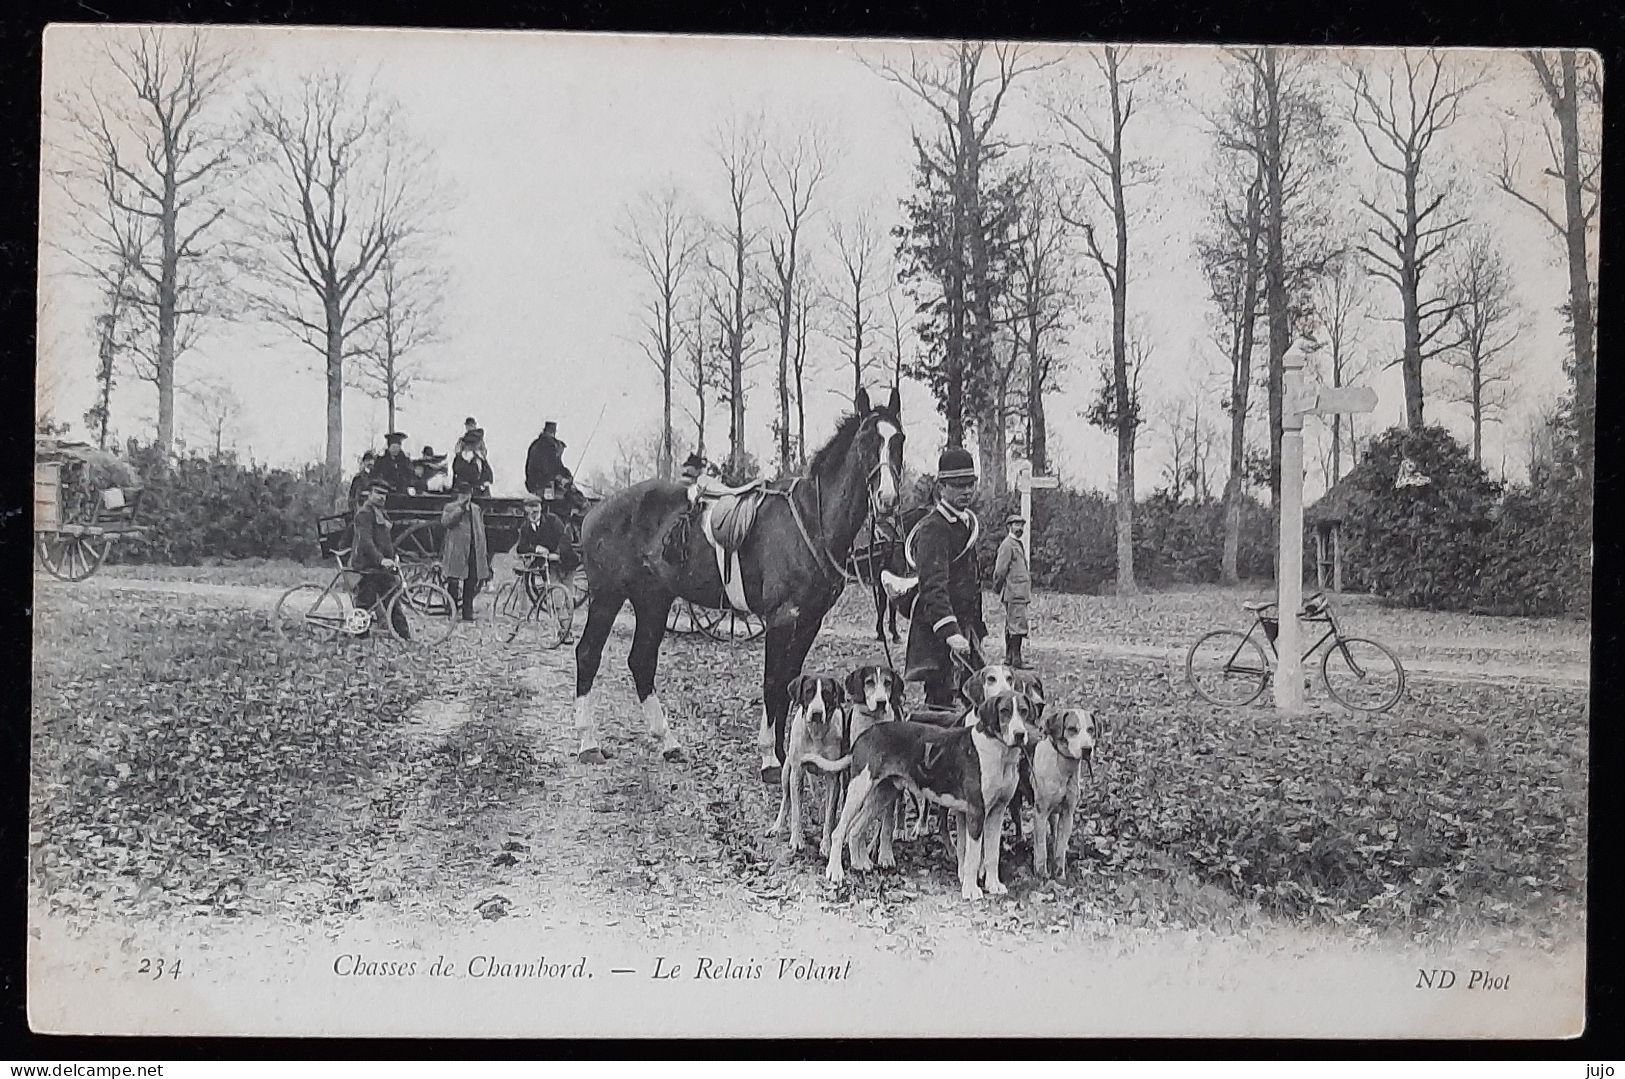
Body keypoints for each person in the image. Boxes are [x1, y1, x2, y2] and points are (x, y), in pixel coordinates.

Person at [903, 447, 988, 709]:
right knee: (942, 703)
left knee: (976, 698)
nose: (967, 491)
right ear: (941, 487)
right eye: (958, 485)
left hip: (966, 625)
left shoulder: (963, 523)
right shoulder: (934, 528)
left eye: (970, 484)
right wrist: (950, 632)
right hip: (940, 634)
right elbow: (932, 586)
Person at [351, 477, 411, 639]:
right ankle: (359, 638)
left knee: (393, 599)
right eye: (377, 493)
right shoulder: (364, 514)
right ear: (369, 494)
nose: (381, 497)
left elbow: (385, 541)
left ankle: (404, 636)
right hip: (367, 565)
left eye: (384, 494)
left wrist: (392, 556)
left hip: (380, 566)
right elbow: (366, 542)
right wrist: (381, 560)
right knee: (365, 602)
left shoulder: (381, 513)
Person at [440, 479, 491, 622]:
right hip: (457, 549)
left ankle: (467, 613)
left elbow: (480, 528)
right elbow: (446, 522)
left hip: (473, 549)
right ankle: (452, 611)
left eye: (467, 494)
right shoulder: (450, 507)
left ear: (471, 494)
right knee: (454, 581)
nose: (465, 497)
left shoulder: (476, 509)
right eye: (462, 494)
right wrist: (460, 509)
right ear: (458, 495)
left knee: (471, 581)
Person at [993, 511, 1033, 669]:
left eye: (1022, 525)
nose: (1020, 528)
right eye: (1017, 524)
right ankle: (1016, 660)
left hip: (1019, 592)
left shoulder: (1017, 544)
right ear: (1009, 526)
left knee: (1013, 624)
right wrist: (997, 587)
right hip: (1014, 592)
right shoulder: (1008, 545)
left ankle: (1010, 658)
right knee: (1017, 626)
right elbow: (1000, 570)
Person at [525, 420, 572, 499]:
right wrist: (562, 479)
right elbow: (551, 469)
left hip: (533, 483)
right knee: (570, 495)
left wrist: (566, 475)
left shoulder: (536, 444)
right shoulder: (548, 447)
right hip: (542, 484)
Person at [451, 429, 494, 495]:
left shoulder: (480, 459)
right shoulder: (462, 458)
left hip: (479, 494)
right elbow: (459, 471)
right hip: (463, 494)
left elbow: (489, 477)